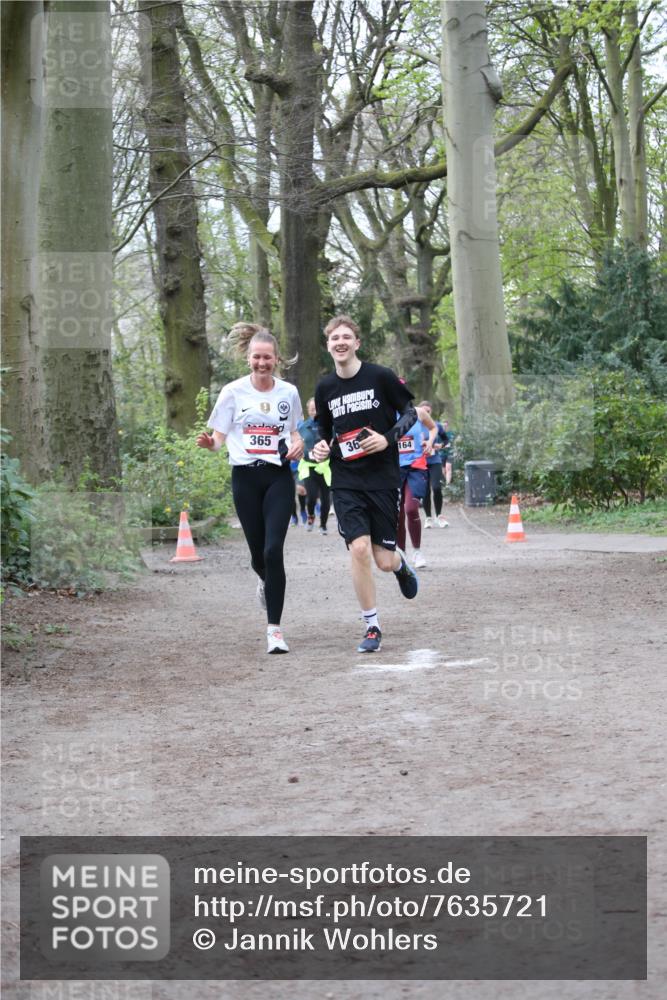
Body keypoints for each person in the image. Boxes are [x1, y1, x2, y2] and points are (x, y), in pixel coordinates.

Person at [312, 315, 420, 654]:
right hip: (346, 479)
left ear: (357, 343)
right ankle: (372, 626)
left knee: (383, 561)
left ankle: (401, 565)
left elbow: (411, 413)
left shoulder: (380, 377)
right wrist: (320, 447)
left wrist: (387, 439)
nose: (340, 342)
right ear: (328, 345)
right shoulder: (325, 388)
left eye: (346, 337)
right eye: (334, 338)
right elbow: (323, 431)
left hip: (382, 479)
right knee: (358, 549)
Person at [196, 323, 303, 654]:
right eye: (257, 357)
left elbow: (295, 432)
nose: (262, 363)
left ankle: (274, 631)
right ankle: (264, 580)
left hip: (278, 477)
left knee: (273, 551)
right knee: (258, 556)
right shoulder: (232, 392)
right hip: (244, 478)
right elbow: (218, 440)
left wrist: (298, 444)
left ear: (277, 359)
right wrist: (209, 444)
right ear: (248, 358)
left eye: (267, 357)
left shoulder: (288, 393)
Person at [397, 406, 436, 568]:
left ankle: (417, 551)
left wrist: (429, 442)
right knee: (397, 513)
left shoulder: (418, 412)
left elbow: (433, 428)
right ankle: (401, 553)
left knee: (411, 509)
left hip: (416, 467)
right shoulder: (385, 412)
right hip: (394, 469)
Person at [297, 397, 331, 535]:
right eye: (312, 409)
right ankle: (311, 515)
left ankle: (323, 525)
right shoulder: (302, 427)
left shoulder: (329, 425)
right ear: (308, 410)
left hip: (325, 466)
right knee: (311, 496)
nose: (314, 411)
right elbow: (297, 442)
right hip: (309, 466)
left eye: (316, 409)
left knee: (326, 499)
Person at [418, 400, 450, 528]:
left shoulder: (436, 425)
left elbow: (446, 440)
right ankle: (428, 518)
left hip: (434, 461)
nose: (426, 413)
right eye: (424, 411)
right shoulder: (414, 426)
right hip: (420, 462)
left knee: (436, 487)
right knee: (425, 491)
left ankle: (439, 516)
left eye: (428, 411)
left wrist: (440, 445)